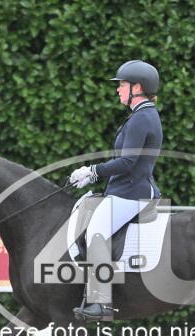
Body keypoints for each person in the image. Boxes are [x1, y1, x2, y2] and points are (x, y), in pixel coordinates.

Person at [69, 60, 163, 321]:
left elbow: (127, 162)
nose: (118, 89)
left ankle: (101, 302)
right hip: (127, 189)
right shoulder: (142, 116)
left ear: (137, 87)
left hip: (131, 193)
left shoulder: (142, 118)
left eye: (122, 84)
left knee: (96, 232)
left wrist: (93, 171)